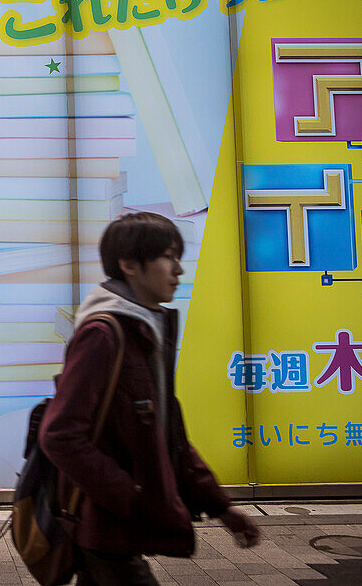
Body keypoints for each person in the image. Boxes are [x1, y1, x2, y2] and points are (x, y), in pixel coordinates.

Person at [39, 212, 260, 585]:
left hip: (117, 527)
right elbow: (59, 435)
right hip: (108, 526)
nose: (179, 270)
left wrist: (220, 506)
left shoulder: (143, 330)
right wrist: (132, 498)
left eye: (178, 258)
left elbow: (167, 434)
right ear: (129, 264)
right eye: (169, 257)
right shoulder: (104, 334)